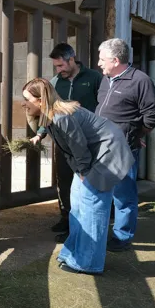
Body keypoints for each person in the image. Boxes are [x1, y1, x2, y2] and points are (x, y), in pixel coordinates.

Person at [22, 77, 134, 275]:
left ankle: (89, 263)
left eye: (27, 99)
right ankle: (74, 251)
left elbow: (79, 147)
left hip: (105, 154)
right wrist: (39, 135)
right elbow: (49, 127)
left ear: (40, 100)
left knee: (92, 208)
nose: (24, 104)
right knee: (78, 206)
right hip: (92, 155)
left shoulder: (61, 117)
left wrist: (83, 172)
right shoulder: (51, 113)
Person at [95, 38, 155, 252]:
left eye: (102, 59)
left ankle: (122, 237)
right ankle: (98, 233)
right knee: (98, 192)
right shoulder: (105, 79)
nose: (99, 63)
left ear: (115, 60)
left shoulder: (140, 80)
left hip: (123, 149)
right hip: (100, 146)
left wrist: (135, 134)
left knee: (124, 195)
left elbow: (152, 115)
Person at [47, 43, 103, 238]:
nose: (58, 70)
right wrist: (40, 132)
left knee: (86, 180)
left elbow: (104, 106)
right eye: (56, 66)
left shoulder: (94, 78)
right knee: (63, 180)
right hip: (64, 141)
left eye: (61, 65)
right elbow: (48, 109)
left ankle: (83, 223)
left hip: (88, 140)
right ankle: (66, 218)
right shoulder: (55, 82)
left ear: (71, 60)